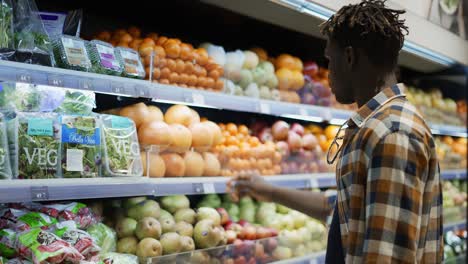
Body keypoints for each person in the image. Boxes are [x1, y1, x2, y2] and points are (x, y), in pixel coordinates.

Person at [227, 0, 443, 263]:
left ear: (350, 57)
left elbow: (388, 256)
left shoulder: (391, 134)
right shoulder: (378, 125)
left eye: (330, 60)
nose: (327, 73)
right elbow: (345, 210)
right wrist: (268, 191)